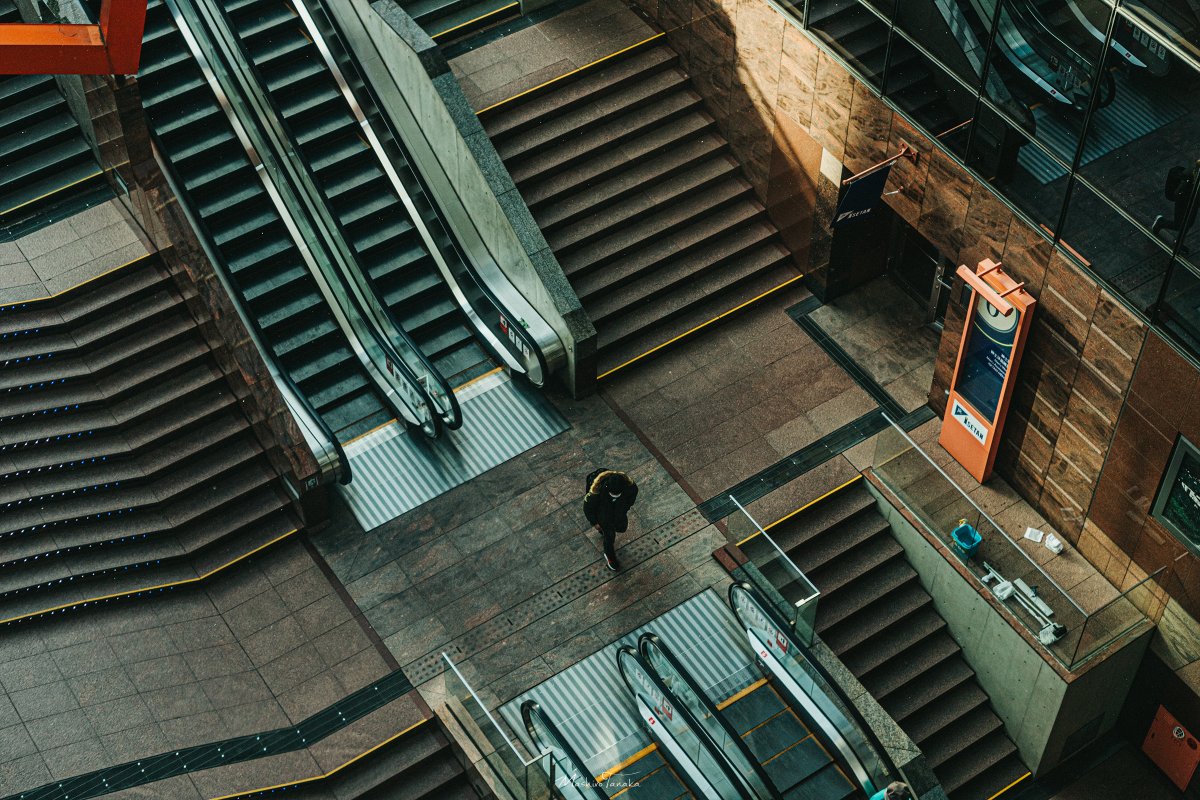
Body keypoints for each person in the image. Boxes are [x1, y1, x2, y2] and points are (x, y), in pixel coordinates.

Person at [583, 468, 638, 572]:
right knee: (609, 538)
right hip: (604, 517)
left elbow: (632, 496)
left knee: (622, 528)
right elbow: (588, 509)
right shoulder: (596, 493)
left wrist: (625, 507)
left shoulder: (629, 487)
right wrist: (594, 522)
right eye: (613, 494)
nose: (615, 495)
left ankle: (603, 531)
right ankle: (610, 557)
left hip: (618, 512)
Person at [1152, 161, 1200, 248]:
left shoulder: (1195, 175)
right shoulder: (1190, 176)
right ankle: (1160, 223)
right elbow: (1178, 193)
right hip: (1184, 203)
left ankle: (1179, 242)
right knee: (1180, 224)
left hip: (1193, 202)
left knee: (1188, 224)